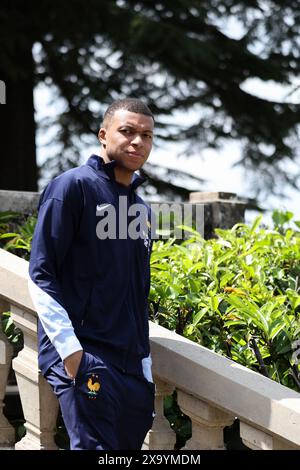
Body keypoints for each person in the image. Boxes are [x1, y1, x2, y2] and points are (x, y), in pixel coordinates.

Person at [28, 98, 156, 450]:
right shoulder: (72, 188)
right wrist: (71, 353)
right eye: (127, 132)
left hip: (131, 367)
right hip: (86, 357)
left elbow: (137, 292)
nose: (137, 142)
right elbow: (41, 273)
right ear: (103, 134)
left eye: (146, 135)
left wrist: (145, 364)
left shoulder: (141, 211)